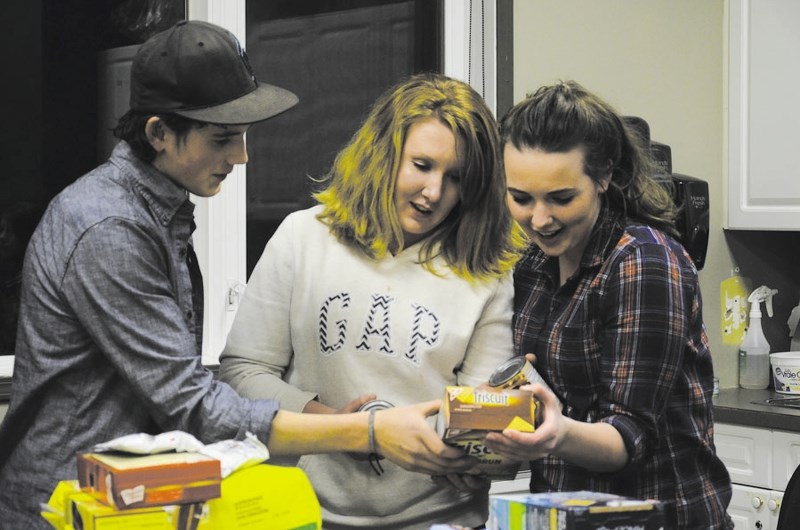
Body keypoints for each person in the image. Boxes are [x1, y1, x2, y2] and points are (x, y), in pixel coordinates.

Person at [0, 22, 480, 529]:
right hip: (64, 510)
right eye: (223, 138)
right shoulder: (110, 229)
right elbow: (195, 409)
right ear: (159, 133)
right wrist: (368, 432)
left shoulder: (155, 212)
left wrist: (333, 419)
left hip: (130, 505)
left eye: (244, 135)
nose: (242, 156)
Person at [219, 72, 526, 529]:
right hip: (305, 514)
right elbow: (242, 374)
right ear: (383, 156)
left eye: (456, 178)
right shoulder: (304, 237)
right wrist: (349, 429)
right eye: (422, 165)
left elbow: (482, 419)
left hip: (439, 518)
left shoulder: (486, 272)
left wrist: (480, 458)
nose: (435, 192)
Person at [484, 80, 733, 529]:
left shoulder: (643, 260)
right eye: (521, 198)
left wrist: (554, 434)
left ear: (604, 176)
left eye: (561, 198)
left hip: (664, 516)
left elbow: (627, 439)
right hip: (566, 516)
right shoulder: (534, 265)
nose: (539, 219)